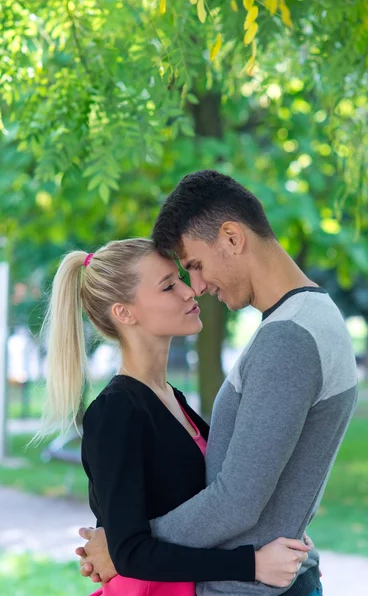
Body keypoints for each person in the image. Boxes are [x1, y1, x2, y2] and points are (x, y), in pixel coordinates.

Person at [78, 171, 358, 596]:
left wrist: (121, 548)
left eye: (192, 266)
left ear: (231, 237)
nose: (197, 287)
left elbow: (235, 500)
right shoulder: (304, 321)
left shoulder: (288, 337)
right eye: (175, 280)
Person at [41, 237, 311, 596]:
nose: (190, 292)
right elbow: (132, 551)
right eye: (169, 286)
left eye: (180, 279)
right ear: (124, 312)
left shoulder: (170, 397)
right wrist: (253, 564)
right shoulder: (115, 413)